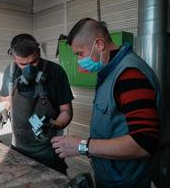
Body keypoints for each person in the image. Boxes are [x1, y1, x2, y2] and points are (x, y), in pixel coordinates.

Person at [51, 18, 161, 187]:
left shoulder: (129, 75)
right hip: (110, 176)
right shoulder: (109, 73)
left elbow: (144, 143)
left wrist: (82, 146)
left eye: (80, 53)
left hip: (125, 182)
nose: (79, 60)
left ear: (99, 44)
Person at [0, 33, 74, 174]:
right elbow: (5, 98)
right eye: (23, 64)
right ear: (13, 57)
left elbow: (66, 111)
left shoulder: (56, 72)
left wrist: (54, 125)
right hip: (18, 147)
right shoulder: (10, 71)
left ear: (38, 52)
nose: (28, 69)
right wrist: (2, 108)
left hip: (48, 150)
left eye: (33, 63)